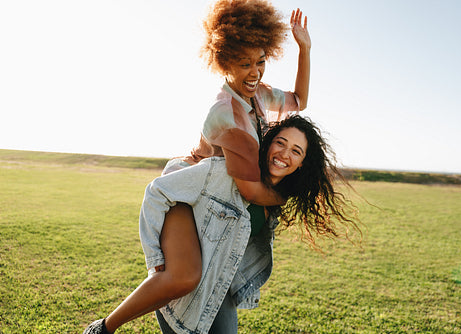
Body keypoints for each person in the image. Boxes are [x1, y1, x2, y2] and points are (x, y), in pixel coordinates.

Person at [83, 0, 311, 333]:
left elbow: (299, 102)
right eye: (244, 63)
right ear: (224, 60)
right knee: (185, 276)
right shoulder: (225, 113)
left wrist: (304, 48)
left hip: (214, 202)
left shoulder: (258, 95)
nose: (255, 72)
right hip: (187, 195)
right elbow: (249, 189)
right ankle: (102, 328)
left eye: (260, 62)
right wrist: (291, 193)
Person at [144, 115, 360, 333]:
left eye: (296, 151)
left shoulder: (277, 197)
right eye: (280, 143)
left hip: (219, 287)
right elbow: (163, 188)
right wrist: (155, 258)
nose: (284, 154)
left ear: (303, 162)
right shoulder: (231, 174)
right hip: (182, 289)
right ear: (268, 143)